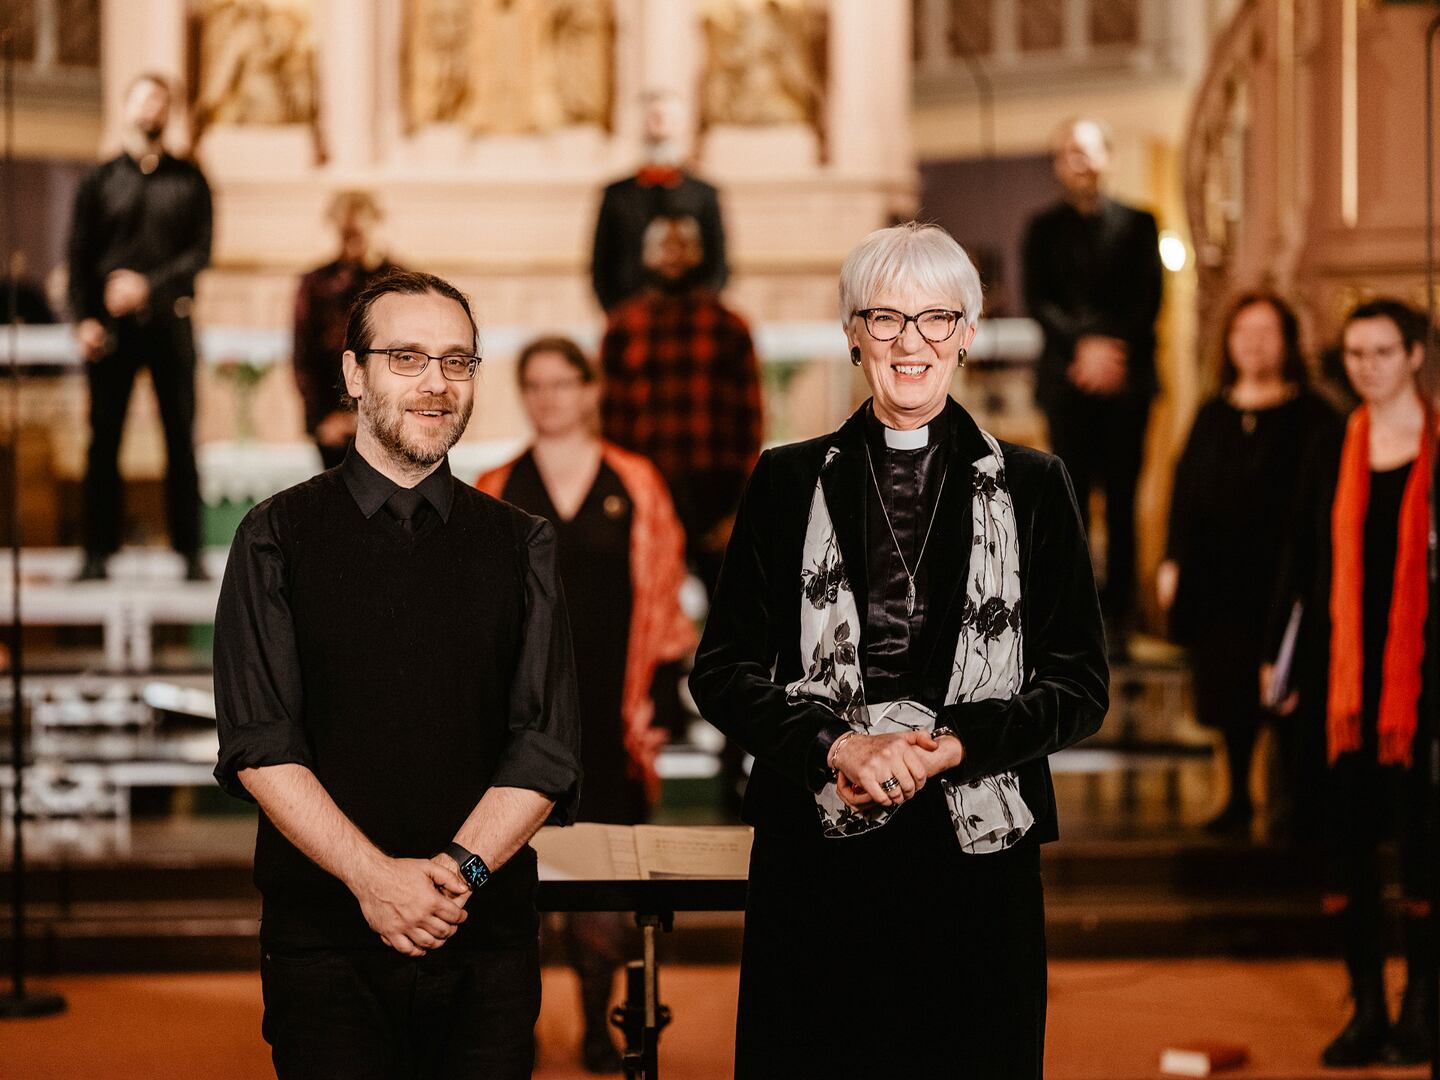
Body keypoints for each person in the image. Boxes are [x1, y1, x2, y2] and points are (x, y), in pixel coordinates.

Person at [688, 222, 1108, 1076]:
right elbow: (722, 671)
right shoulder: (785, 479)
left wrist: (953, 745)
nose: (909, 342)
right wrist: (836, 742)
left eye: (935, 319)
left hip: (976, 856)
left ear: (968, 334)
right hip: (819, 848)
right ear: (853, 334)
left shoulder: (1033, 485)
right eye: (884, 318)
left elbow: (1079, 684)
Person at [213, 270, 581, 1079]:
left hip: (483, 939)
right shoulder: (274, 536)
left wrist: (454, 878)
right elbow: (262, 744)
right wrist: (374, 880)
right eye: (407, 358)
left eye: (457, 361)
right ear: (353, 373)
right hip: (324, 941)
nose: (437, 384)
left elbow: (545, 747)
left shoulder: (522, 544)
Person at [477, 335, 695, 1073]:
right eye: (534, 385)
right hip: (522, 717)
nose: (549, 398)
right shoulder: (494, 483)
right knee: (519, 874)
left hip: (611, 709)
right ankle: (519, 1021)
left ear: (590, 388)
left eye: (562, 383)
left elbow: (664, 595)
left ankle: (604, 1020)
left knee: (606, 876)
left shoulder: (636, 481)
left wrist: (662, 700)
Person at [1267, 299, 1435, 1067]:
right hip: (1344, 683)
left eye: (1382, 352)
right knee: (1350, 848)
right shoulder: (1334, 443)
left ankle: (1424, 1008)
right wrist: (1283, 659)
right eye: (1356, 354)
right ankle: (1367, 1005)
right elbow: (1299, 560)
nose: (1367, 367)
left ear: (1416, 356)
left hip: (1425, 684)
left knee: (1427, 850)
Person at [1158, 292, 1339, 838]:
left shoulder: (1314, 415)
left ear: (1287, 342)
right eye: (1243, 333)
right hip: (1219, 580)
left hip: (1285, 578)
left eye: (1267, 333)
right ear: (1229, 343)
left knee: (1288, 689)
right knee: (1228, 690)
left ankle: (1295, 803)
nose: (1254, 344)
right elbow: (1184, 492)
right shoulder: (1214, 413)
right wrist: (1172, 559)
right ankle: (1237, 795)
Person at [1022, 117, 1163, 653]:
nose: (1076, 161)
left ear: (1106, 156)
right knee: (1071, 503)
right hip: (1068, 382)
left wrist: (1109, 350)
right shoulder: (1040, 229)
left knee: (1124, 501)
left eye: (1085, 151)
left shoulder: (1142, 222)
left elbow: (1148, 301)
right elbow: (1040, 302)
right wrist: (1085, 348)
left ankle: (1122, 618)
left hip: (1127, 381)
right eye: (1066, 153)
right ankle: (1074, 619)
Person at [67, 72, 213, 581]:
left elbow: (200, 253)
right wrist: (83, 317)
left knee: (181, 440)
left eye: (161, 102)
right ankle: (96, 555)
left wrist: (146, 287)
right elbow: (79, 254)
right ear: (126, 107)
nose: (153, 109)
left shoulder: (190, 178)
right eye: (144, 99)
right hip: (111, 330)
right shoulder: (99, 180)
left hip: (171, 324)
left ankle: (189, 554)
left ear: (168, 113)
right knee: (103, 440)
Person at [599, 212, 762, 596]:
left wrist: (739, 509)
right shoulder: (623, 327)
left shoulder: (729, 326)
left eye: (683, 245)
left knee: (733, 612)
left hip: (715, 492)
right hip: (646, 488)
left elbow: (750, 423)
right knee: (648, 611)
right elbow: (607, 421)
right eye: (663, 246)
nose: (673, 255)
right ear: (645, 255)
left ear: (700, 253)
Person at [590, 90, 727, 313]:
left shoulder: (703, 194)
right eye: (652, 115)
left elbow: (717, 262)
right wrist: (618, 313)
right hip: (630, 312)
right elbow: (602, 264)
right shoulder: (617, 195)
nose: (658, 122)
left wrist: (701, 309)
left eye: (666, 116)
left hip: (691, 315)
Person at [292, 190, 400, 470]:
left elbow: (410, 354)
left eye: (357, 233)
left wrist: (378, 418)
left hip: (391, 423)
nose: (351, 243)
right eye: (345, 234)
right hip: (332, 423)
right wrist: (321, 418)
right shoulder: (316, 284)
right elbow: (304, 356)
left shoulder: (401, 281)